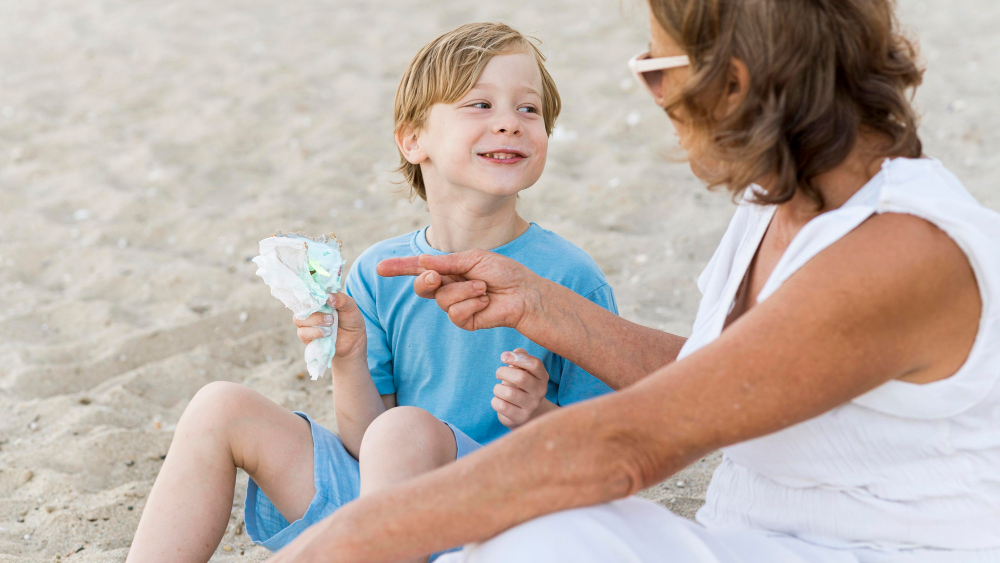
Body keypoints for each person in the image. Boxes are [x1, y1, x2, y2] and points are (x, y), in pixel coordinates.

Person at [265, 1, 1000, 562]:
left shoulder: (899, 248)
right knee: (537, 535)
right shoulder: (781, 201)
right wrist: (539, 303)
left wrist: (351, 536)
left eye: (655, 70)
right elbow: (734, 379)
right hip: (755, 539)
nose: (653, 98)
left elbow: (628, 444)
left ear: (732, 85)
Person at [126, 22, 617, 563]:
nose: (509, 124)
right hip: (382, 509)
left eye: (529, 110)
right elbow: (368, 445)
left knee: (406, 428)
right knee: (220, 407)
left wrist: (539, 414)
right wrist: (348, 359)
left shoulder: (569, 278)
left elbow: (612, 456)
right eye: (480, 105)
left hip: (499, 520)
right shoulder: (381, 271)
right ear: (412, 140)